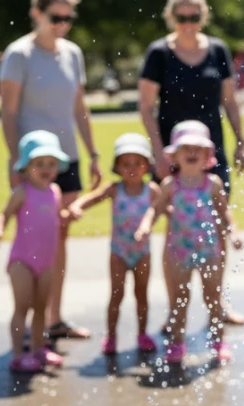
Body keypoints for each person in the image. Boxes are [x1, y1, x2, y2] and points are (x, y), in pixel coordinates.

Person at [0, 0, 102, 342]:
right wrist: (16, 162)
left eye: (68, 17)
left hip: (67, 159)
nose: (62, 24)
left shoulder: (72, 53)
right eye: (55, 16)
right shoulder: (19, 54)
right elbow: (8, 113)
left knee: (60, 237)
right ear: (36, 13)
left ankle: (52, 318)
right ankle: (28, 321)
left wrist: (92, 153)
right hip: (33, 165)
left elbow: (79, 106)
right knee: (34, 237)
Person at [138, 0, 244, 325]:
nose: (188, 22)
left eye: (194, 16)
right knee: (176, 228)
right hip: (174, 156)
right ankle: (176, 308)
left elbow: (229, 100)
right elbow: (145, 107)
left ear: (204, 16)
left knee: (216, 222)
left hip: (211, 155)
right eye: (182, 16)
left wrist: (240, 139)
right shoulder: (158, 53)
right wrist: (157, 151)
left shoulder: (217, 50)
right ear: (171, 17)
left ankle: (217, 302)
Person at [135, 121, 233, 365]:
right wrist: (145, 226)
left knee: (213, 297)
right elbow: (154, 210)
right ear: (175, 155)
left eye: (197, 149)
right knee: (178, 299)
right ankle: (177, 342)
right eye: (185, 148)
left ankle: (218, 340)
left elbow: (224, 213)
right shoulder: (170, 185)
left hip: (209, 250)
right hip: (178, 251)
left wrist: (234, 233)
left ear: (207, 155)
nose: (191, 153)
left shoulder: (213, 184)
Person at [67, 133, 162, 356]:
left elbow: (161, 208)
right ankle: (111, 336)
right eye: (125, 163)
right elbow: (92, 198)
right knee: (116, 295)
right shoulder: (114, 189)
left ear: (146, 166)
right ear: (117, 166)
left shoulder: (152, 191)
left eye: (137, 163)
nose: (132, 168)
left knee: (141, 295)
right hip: (119, 252)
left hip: (142, 252)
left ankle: (142, 334)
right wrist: (77, 206)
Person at [0, 131, 71, 373]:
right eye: (39, 164)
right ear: (26, 167)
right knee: (22, 307)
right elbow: (4, 214)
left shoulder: (54, 192)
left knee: (41, 308)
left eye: (51, 164)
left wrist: (68, 215)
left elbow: (55, 217)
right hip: (22, 261)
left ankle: (39, 348)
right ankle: (18, 354)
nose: (46, 169)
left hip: (46, 262)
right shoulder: (22, 192)